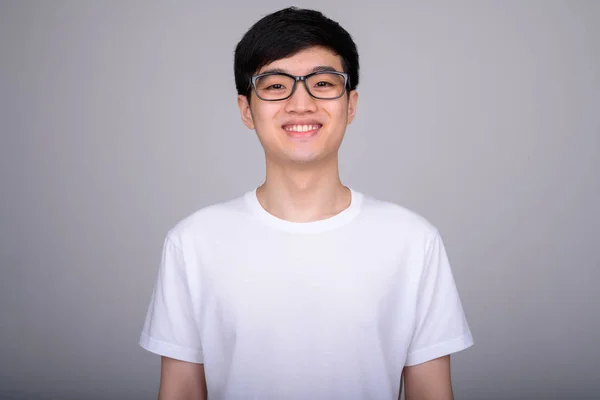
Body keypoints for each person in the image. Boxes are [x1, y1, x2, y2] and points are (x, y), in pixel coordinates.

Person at [139, 6, 474, 400]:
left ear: (351, 105)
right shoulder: (193, 242)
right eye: (276, 85)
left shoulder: (414, 242)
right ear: (247, 109)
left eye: (323, 83)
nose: (301, 104)